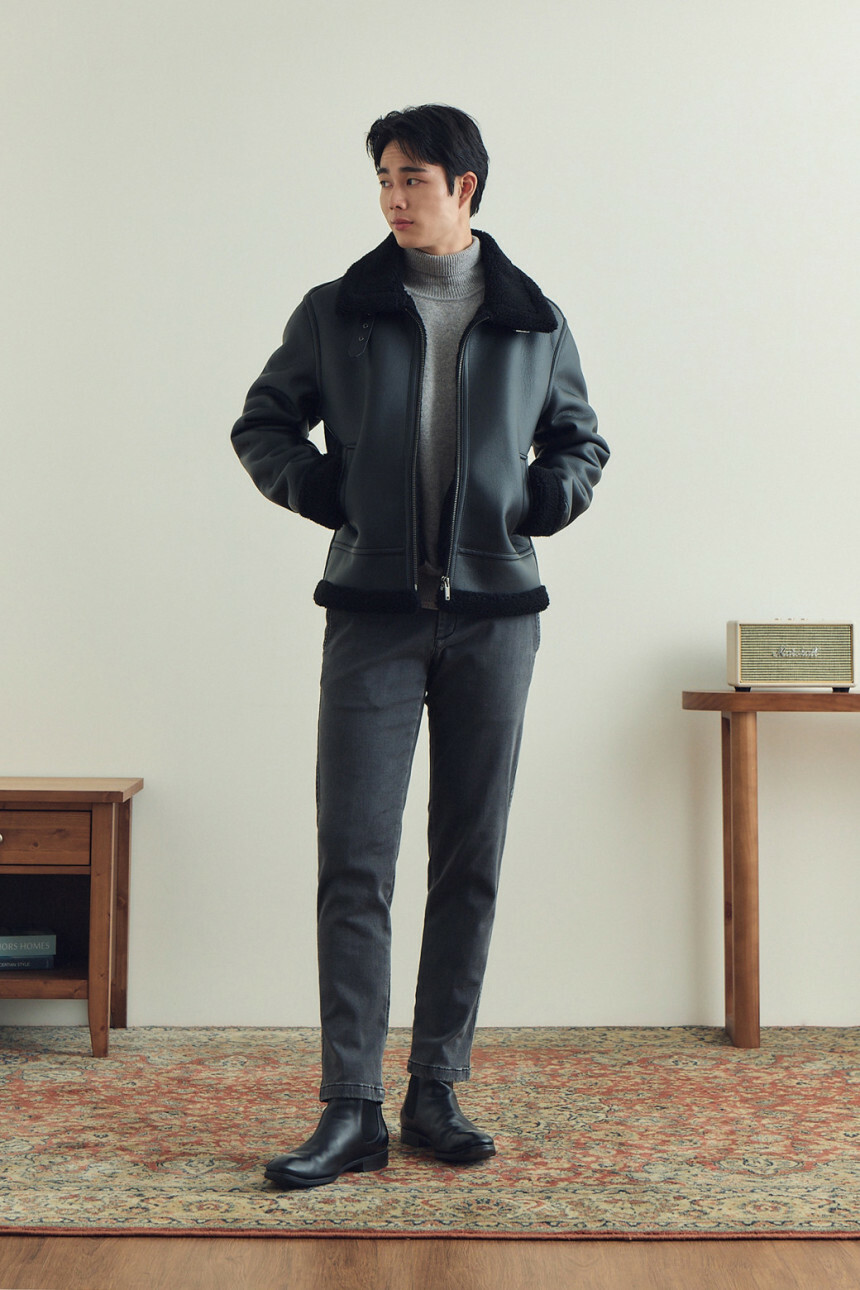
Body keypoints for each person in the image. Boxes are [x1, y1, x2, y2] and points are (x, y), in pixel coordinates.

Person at [231, 104, 609, 1190]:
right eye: (384, 180)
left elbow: (580, 442)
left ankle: (435, 1089)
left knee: (467, 860)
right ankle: (350, 1107)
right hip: (372, 613)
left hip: (497, 619)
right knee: (354, 860)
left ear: (465, 187)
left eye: (413, 180)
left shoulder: (532, 318)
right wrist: (336, 496)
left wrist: (534, 503)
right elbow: (262, 424)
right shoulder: (337, 311)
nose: (395, 198)